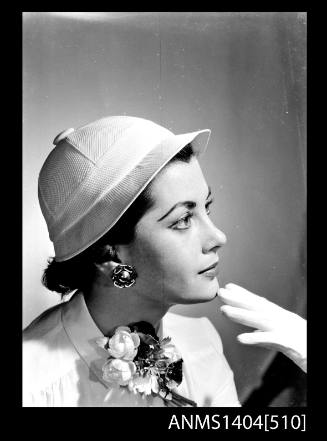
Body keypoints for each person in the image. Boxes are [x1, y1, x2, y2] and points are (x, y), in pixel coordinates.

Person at [23, 115, 306, 407]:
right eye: (183, 220)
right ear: (110, 252)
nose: (218, 237)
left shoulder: (201, 342)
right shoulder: (31, 387)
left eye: (205, 208)